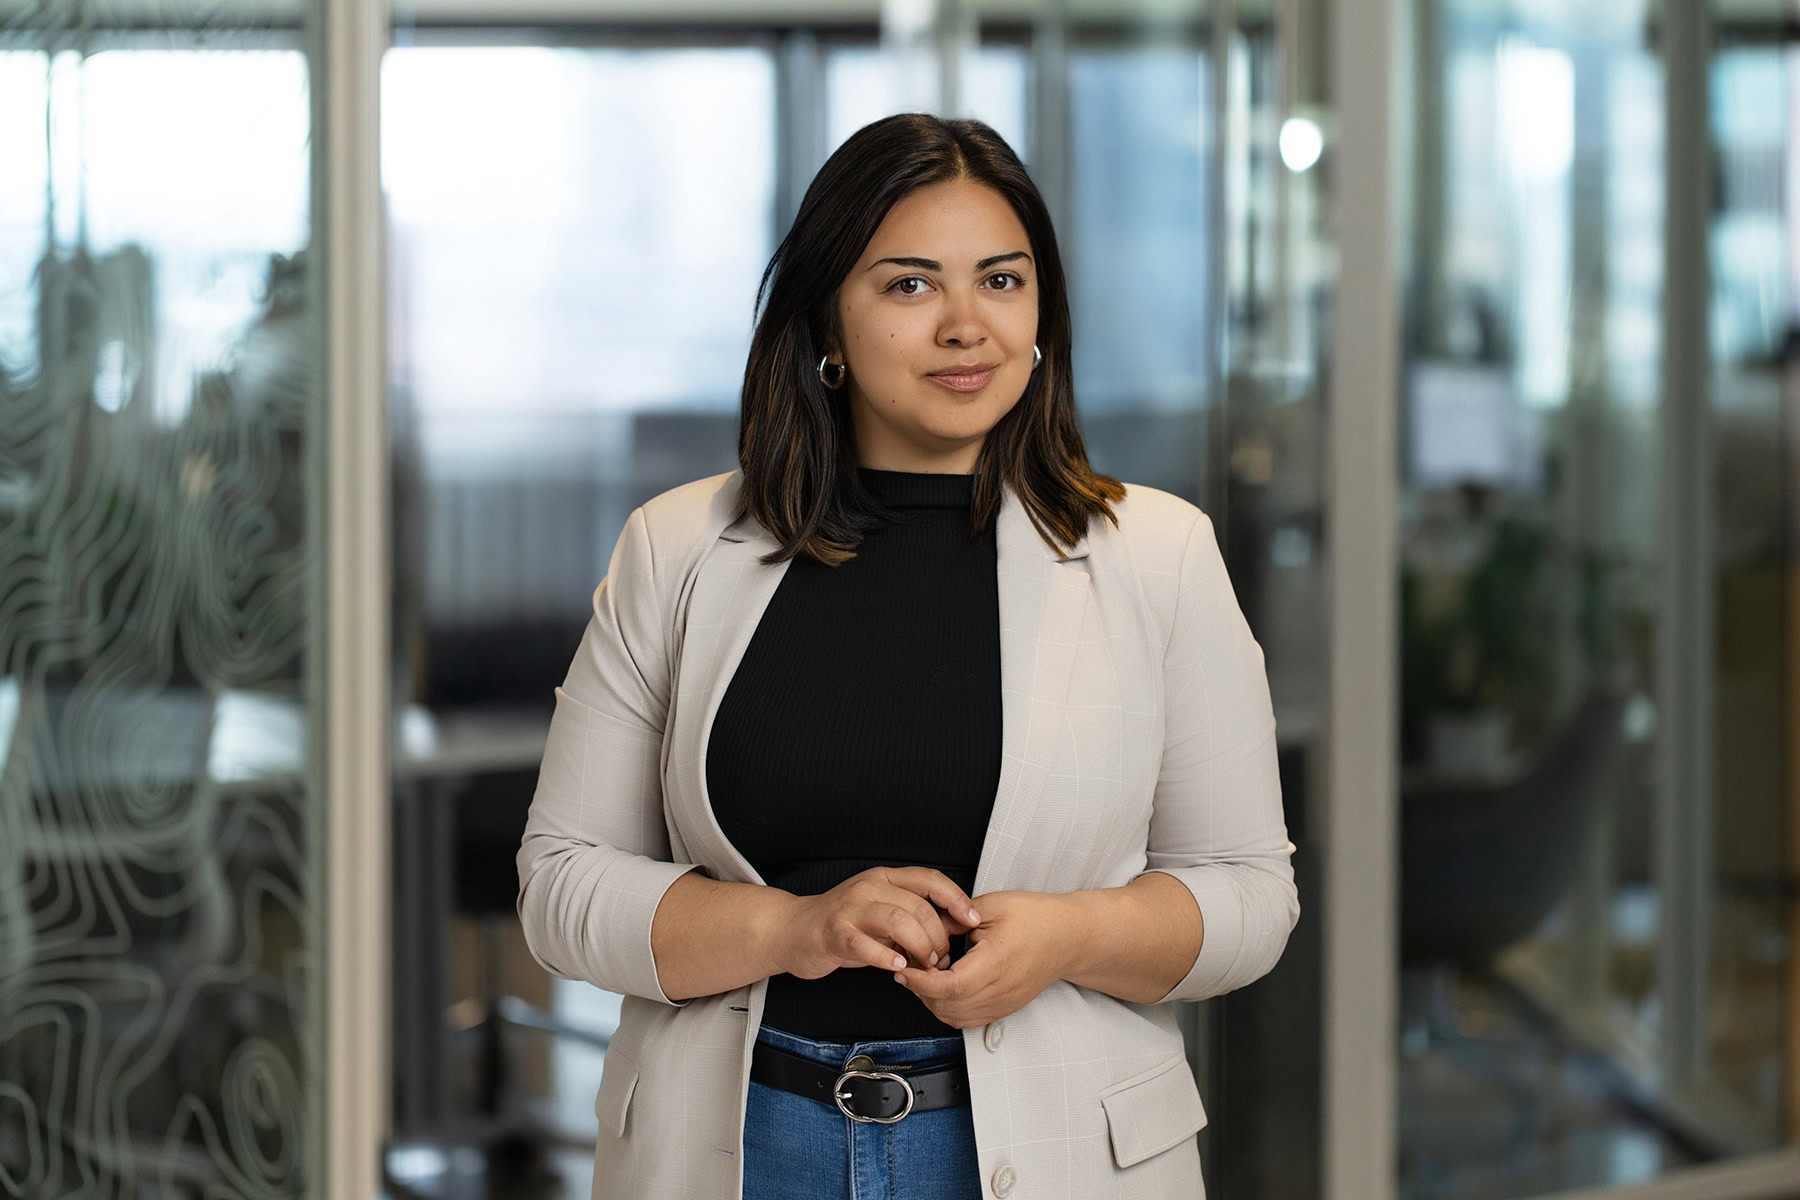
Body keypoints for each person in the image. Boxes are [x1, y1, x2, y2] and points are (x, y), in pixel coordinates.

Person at [516, 112, 1299, 1200]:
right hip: (741, 1148)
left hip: (1060, 1154)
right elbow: (563, 887)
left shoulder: (1160, 556)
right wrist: (795, 928)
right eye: (911, 286)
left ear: (1043, 316)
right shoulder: (679, 549)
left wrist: (1070, 936)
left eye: (1003, 281)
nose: (968, 326)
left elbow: (1249, 898)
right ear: (828, 324)